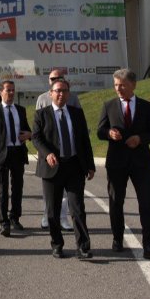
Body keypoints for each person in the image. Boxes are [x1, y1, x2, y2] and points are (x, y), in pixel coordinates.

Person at [98, 68, 150, 260]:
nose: (118, 89)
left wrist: (140, 139)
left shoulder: (146, 106)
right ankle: (117, 238)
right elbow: (100, 131)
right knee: (116, 202)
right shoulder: (108, 105)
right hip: (116, 163)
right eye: (116, 85)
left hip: (141, 163)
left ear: (133, 85)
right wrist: (109, 133)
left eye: (122, 85)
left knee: (146, 204)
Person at [33, 79, 95, 259]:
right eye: (57, 91)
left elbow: (84, 140)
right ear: (50, 93)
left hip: (74, 166)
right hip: (52, 167)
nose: (61, 94)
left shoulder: (76, 113)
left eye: (64, 91)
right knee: (52, 211)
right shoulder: (42, 114)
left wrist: (89, 165)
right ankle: (57, 244)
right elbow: (36, 138)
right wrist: (47, 154)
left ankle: (83, 246)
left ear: (69, 94)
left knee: (77, 209)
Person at [0, 80, 31, 236]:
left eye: (12, 90)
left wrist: (28, 135)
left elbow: (27, 129)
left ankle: (15, 217)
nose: (10, 93)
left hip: (17, 152)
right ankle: (4, 223)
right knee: (2, 189)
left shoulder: (20, 110)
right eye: (7, 90)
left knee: (17, 187)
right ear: (1, 92)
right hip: (1, 154)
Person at [36, 70, 81, 231]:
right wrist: (45, 153)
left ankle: (63, 218)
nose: (55, 80)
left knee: (69, 197)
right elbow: (38, 131)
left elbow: (79, 127)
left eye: (58, 78)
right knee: (50, 195)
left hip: (69, 155)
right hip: (50, 156)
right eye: (52, 79)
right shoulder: (42, 99)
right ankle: (47, 216)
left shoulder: (73, 99)